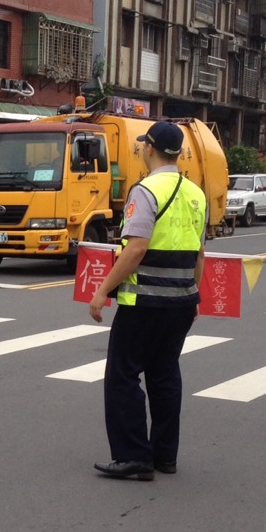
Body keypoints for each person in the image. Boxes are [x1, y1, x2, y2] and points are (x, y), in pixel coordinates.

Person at [86, 121, 207, 481]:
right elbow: (200, 253)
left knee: (122, 375)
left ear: (149, 149)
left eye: (142, 146)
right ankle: (164, 456)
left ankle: (133, 456)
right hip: (181, 302)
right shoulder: (196, 193)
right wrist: (193, 294)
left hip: (144, 302)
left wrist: (102, 289)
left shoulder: (146, 190)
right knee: (165, 374)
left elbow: (135, 248)